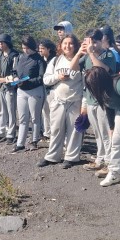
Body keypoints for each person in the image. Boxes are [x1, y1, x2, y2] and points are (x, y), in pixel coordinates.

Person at [38, 34, 84, 168]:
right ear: (60, 45)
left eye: (71, 43)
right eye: (65, 43)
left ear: (75, 45)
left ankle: (71, 157)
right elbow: (46, 80)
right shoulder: (56, 60)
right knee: (56, 129)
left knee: (74, 130)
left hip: (75, 100)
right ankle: (53, 156)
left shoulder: (81, 60)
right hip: (58, 100)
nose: (67, 46)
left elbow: (85, 82)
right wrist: (58, 77)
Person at [75, 28, 117, 172]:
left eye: (95, 42)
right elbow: (73, 68)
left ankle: (109, 162)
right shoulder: (86, 56)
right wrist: (79, 53)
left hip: (103, 100)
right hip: (90, 99)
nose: (92, 45)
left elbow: (104, 70)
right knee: (97, 132)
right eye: (89, 41)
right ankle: (100, 159)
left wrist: (92, 53)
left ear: (101, 41)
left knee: (106, 133)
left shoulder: (108, 54)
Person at [11, 35, 46, 152]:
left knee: (35, 118)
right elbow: (14, 70)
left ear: (32, 47)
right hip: (21, 90)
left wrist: (28, 81)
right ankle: (20, 143)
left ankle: (34, 140)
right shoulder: (20, 57)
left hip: (35, 91)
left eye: (27, 48)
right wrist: (15, 78)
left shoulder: (39, 59)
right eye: (23, 48)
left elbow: (41, 77)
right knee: (22, 118)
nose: (25, 50)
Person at [0, 34, 19, 145]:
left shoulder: (14, 56)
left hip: (11, 87)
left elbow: (16, 74)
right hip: (1, 88)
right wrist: (0, 83)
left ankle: (11, 134)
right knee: (1, 111)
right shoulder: (0, 56)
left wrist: (5, 79)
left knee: (11, 111)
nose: (0, 45)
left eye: (1, 42)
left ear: (7, 43)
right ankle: (0, 132)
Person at [38, 39, 58, 139]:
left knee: (53, 112)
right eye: (39, 48)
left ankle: (54, 133)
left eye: (42, 48)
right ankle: (47, 132)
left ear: (48, 49)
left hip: (52, 89)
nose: (40, 50)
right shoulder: (41, 60)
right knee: (45, 111)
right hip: (43, 89)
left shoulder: (54, 60)